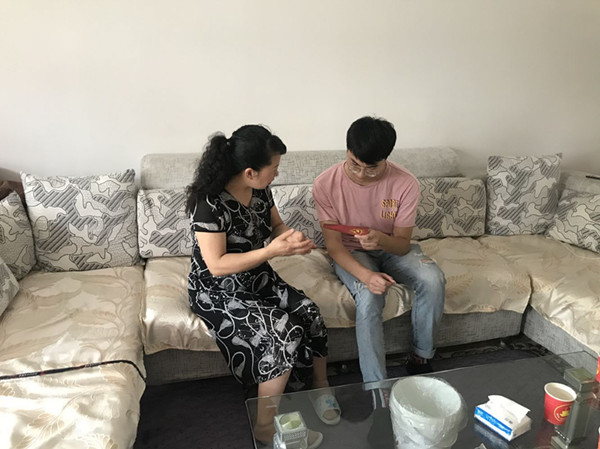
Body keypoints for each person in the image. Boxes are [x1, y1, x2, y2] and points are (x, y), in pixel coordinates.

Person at [186, 124, 340, 449]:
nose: (277, 174)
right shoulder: (210, 204)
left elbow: (276, 225)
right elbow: (216, 265)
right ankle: (264, 426)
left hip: (256, 276)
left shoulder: (260, 191)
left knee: (309, 312)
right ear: (250, 172)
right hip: (217, 290)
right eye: (274, 168)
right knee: (283, 331)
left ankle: (320, 386)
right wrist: (272, 251)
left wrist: (291, 238)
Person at [312, 116, 446, 446]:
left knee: (432, 278)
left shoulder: (405, 183)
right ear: (347, 152)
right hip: (350, 252)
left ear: (386, 159)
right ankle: (379, 394)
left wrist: (380, 240)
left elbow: (401, 244)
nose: (361, 174)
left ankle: (421, 357)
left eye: (371, 168)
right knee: (369, 297)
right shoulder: (326, 184)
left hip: (390, 248)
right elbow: (333, 247)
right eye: (354, 164)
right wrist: (367, 277)